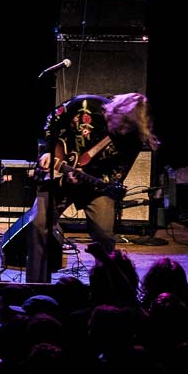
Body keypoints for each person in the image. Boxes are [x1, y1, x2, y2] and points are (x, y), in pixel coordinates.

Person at [26, 92, 159, 283]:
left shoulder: (134, 136)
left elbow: (117, 174)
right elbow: (52, 120)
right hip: (57, 172)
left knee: (104, 234)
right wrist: (48, 150)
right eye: (122, 124)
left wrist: (87, 179)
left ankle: (106, 286)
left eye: (128, 129)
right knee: (38, 224)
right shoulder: (85, 104)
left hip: (92, 183)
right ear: (116, 112)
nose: (123, 130)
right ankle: (35, 285)